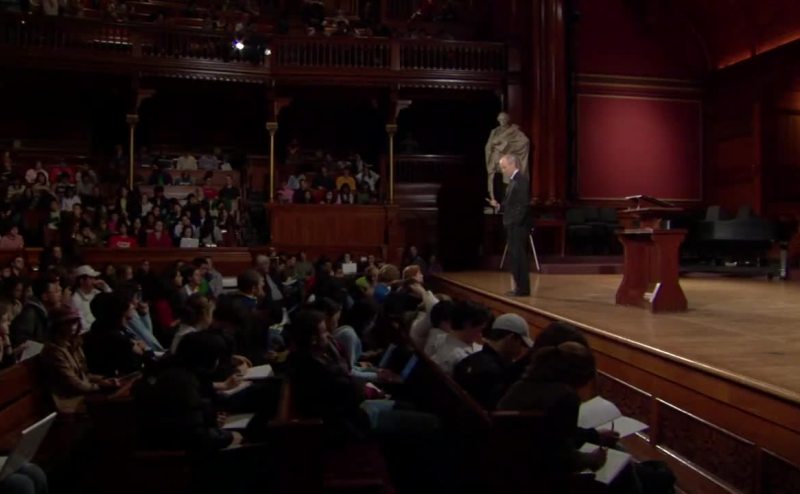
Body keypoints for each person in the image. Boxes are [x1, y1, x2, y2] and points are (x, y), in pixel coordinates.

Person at [453, 313, 533, 410]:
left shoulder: (466, 361)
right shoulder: (496, 374)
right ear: (511, 338)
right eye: (522, 344)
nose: (521, 350)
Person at [488, 154, 532, 296]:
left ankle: (523, 289)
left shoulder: (521, 180)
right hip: (512, 225)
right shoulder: (513, 181)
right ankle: (518, 287)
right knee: (514, 256)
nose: (503, 170)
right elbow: (510, 204)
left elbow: (523, 205)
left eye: (504, 167)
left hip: (518, 226)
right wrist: (498, 206)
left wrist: (515, 222)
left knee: (519, 257)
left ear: (513, 165)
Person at [485, 112, 530, 203]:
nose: (502, 121)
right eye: (500, 119)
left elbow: (525, 142)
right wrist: (492, 145)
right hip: (495, 159)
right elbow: (488, 145)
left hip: (507, 159)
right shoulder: (494, 131)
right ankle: (496, 202)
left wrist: (505, 145)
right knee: (495, 181)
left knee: (508, 181)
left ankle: (509, 202)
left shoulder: (514, 131)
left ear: (507, 120)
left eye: (504, 119)